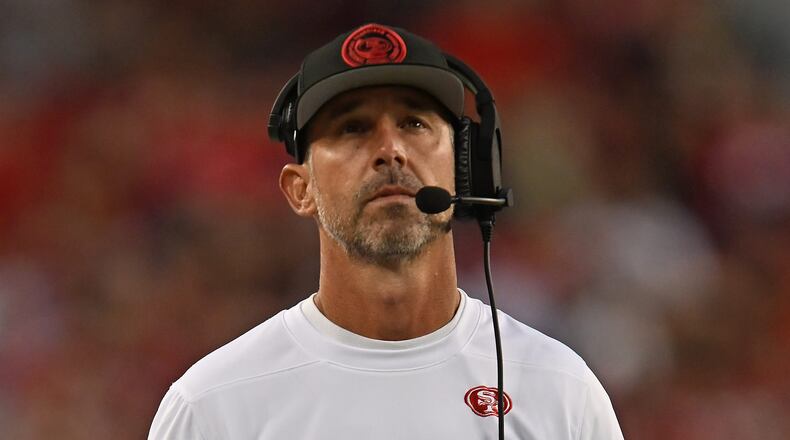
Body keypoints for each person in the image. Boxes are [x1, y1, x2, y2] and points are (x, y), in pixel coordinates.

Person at [149, 23, 624, 439]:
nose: (391, 149)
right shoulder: (213, 406)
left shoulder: (560, 389)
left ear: (465, 171)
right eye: (353, 128)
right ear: (301, 189)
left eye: (414, 123)